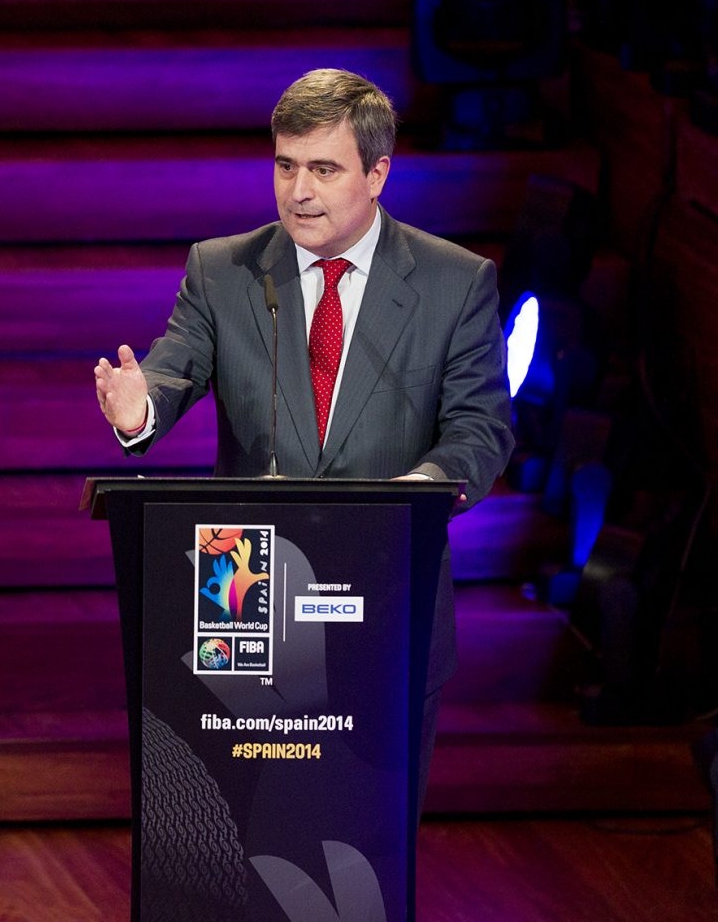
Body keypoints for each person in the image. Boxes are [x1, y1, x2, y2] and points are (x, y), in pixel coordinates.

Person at [93, 67, 514, 805]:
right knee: (238, 841)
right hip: (241, 595)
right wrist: (140, 410)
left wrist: (418, 494)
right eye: (285, 166)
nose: (299, 191)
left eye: (324, 169)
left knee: (366, 859)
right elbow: (172, 371)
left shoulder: (455, 283)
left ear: (378, 173)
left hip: (385, 594)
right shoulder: (223, 270)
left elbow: (481, 429)